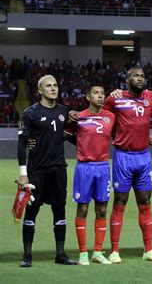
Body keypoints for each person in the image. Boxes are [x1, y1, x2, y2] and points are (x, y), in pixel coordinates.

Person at [103, 67, 152, 263]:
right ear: (127, 79)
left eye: (143, 76)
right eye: (136, 75)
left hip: (143, 156)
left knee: (145, 202)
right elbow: (101, 116)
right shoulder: (115, 99)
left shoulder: (150, 97)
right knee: (120, 202)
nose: (140, 78)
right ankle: (115, 250)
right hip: (123, 156)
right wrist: (115, 136)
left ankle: (148, 249)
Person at [17, 74, 76, 267]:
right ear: (40, 90)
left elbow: (72, 135)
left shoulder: (64, 111)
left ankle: (60, 254)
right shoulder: (29, 113)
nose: (53, 88)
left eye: (55, 85)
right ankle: (27, 256)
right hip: (36, 171)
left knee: (59, 210)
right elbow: (22, 144)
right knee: (32, 211)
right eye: (48, 86)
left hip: (58, 169)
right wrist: (23, 173)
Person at [64, 84, 116, 265]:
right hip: (84, 167)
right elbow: (64, 135)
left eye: (103, 93)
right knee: (83, 209)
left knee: (102, 209)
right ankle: (83, 253)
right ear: (88, 97)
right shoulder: (79, 117)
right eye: (96, 93)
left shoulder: (111, 117)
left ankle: (98, 252)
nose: (100, 96)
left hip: (103, 167)